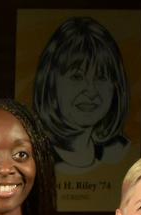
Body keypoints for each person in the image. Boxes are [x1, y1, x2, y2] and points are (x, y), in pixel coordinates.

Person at [32, 16, 130, 172]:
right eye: (77, 77)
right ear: (50, 83)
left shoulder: (121, 150)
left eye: (101, 77)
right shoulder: (29, 155)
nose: (91, 91)